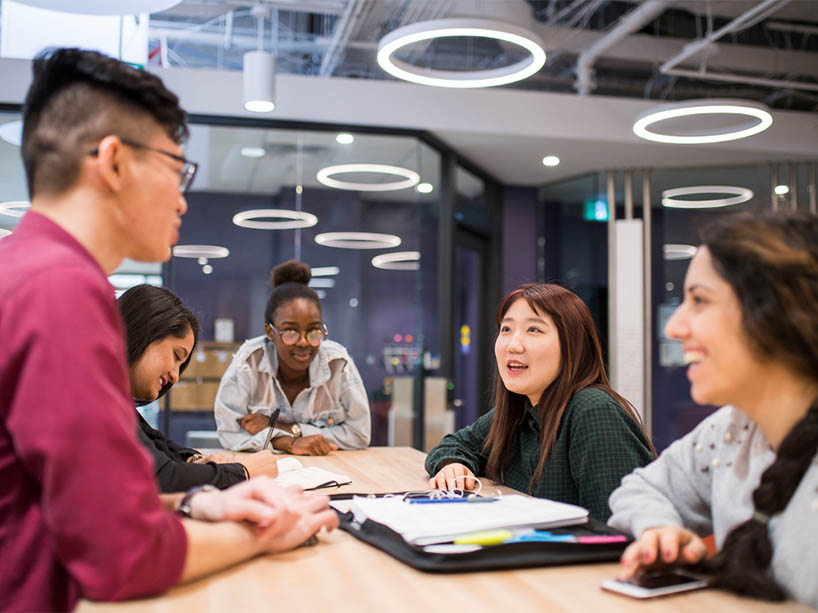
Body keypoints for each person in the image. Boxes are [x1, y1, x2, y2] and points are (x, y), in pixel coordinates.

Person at [0, 48, 336, 612]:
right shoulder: (61, 290)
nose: (182, 197)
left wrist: (196, 505)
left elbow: (78, 501)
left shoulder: (21, 268)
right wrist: (262, 532)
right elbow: (120, 555)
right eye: (174, 169)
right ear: (112, 162)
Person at [608, 212, 818, 607]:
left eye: (699, 300)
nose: (674, 328)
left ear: (774, 313)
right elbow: (643, 487)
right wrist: (660, 530)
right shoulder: (733, 429)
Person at [425, 283, 655, 522]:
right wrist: (452, 465)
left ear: (572, 346)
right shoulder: (521, 411)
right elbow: (452, 445)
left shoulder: (593, 410)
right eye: (506, 329)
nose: (513, 345)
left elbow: (618, 532)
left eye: (533, 330)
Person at [119, 284, 280, 491]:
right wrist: (244, 472)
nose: (175, 377)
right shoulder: (96, 396)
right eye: (176, 356)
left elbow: (156, 443)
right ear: (143, 333)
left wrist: (193, 460)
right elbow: (162, 476)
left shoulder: (114, 397)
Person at [215, 259, 370, 455]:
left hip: (328, 470)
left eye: (314, 331)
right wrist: (285, 442)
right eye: (290, 332)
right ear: (270, 332)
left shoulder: (337, 364)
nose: (304, 342)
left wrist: (286, 429)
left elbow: (359, 434)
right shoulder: (248, 363)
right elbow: (229, 433)